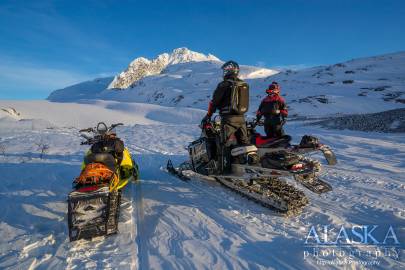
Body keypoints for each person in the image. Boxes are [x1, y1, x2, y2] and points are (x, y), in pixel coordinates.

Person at [201, 60, 250, 172]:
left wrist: (208, 115)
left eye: (225, 70)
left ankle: (224, 170)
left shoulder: (224, 85)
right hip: (241, 118)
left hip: (228, 119)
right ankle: (250, 164)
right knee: (244, 142)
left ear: (229, 71)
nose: (224, 72)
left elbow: (214, 102)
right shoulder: (243, 84)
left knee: (225, 144)